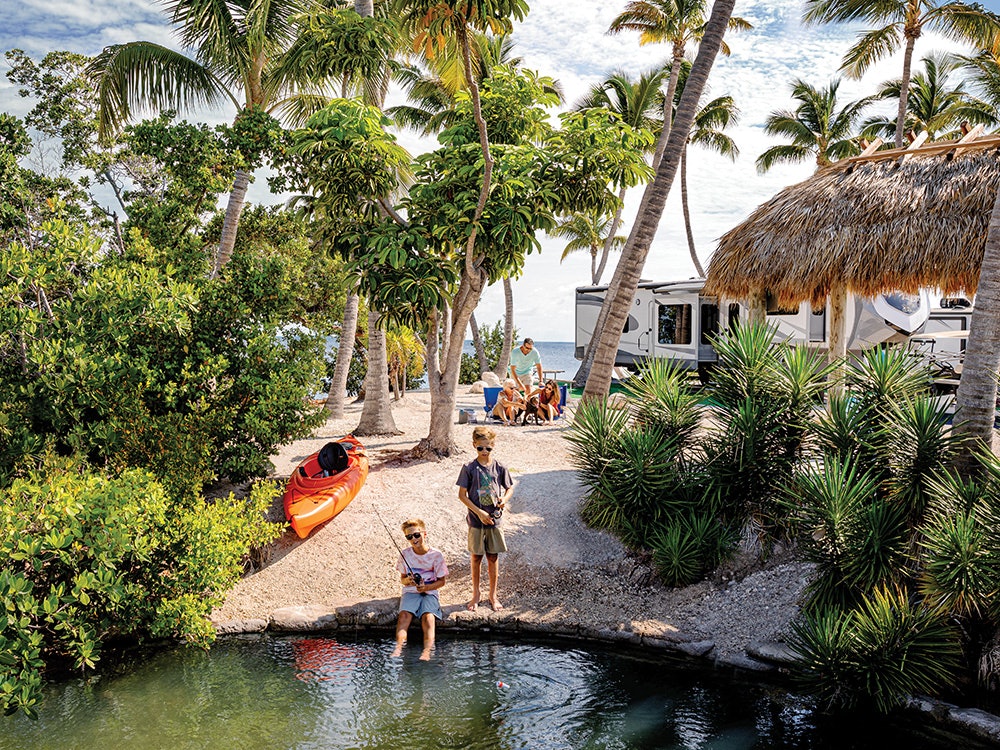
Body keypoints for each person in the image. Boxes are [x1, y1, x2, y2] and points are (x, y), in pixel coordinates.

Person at [457, 425, 514, 611]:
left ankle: (492, 595)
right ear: (474, 445)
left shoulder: (500, 467)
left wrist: (503, 500)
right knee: (476, 557)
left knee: (492, 557)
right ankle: (476, 594)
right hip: (476, 521)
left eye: (488, 448)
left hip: (494, 520)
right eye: (480, 448)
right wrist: (479, 513)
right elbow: (462, 495)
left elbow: (509, 488)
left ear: (493, 446)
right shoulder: (469, 468)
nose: (484, 451)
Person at [391, 518, 449, 661]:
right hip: (411, 591)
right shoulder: (405, 554)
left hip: (430, 592)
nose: (413, 539)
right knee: (404, 616)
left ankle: (427, 650)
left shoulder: (436, 555)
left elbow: (442, 581)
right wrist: (408, 581)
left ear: (424, 534)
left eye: (416, 535)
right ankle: (398, 647)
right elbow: (402, 579)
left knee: (428, 617)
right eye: (409, 537)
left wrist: (427, 587)